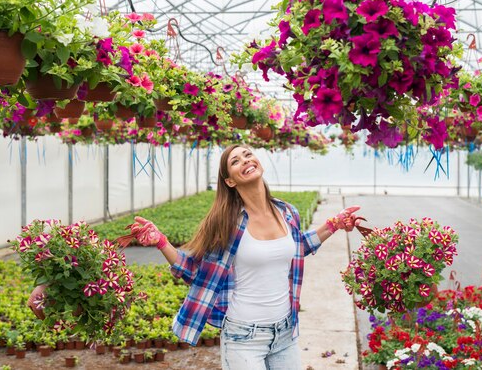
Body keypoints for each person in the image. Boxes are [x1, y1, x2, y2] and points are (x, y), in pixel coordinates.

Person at [28, 144, 362, 369]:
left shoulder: (286, 213)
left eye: (249, 154)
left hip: (286, 332)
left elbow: (295, 247)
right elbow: (192, 269)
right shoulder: (226, 223)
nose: (246, 159)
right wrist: (160, 241)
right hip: (244, 337)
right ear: (229, 180)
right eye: (236, 160)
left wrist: (334, 224)